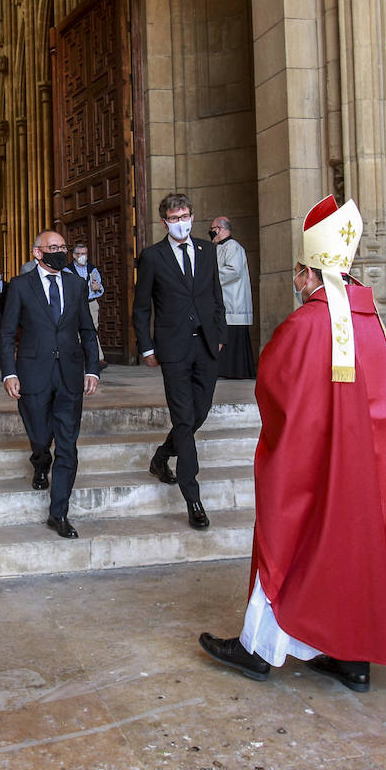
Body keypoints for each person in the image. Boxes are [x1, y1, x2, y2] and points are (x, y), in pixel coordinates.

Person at [198, 195, 386, 692]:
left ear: (308, 273)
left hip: (316, 460)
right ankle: (352, 657)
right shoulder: (369, 318)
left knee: (293, 539)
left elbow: (273, 383)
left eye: (297, 274)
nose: (296, 283)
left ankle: (257, 649)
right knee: (356, 548)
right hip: (368, 464)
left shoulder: (307, 321)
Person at [132, 192, 225, 529]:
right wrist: (146, 347)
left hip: (206, 347)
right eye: (174, 218)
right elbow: (142, 307)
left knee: (199, 413)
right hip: (172, 350)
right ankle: (193, 497)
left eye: (185, 216)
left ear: (192, 216)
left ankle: (161, 456)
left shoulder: (207, 250)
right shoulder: (152, 257)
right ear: (164, 222)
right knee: (184, 419)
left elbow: (216, 295)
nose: (181, 222)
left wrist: (221, 333)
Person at [0, 231, 101, 538]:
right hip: (33, 373)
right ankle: (40, 460)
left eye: (63, 248)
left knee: (67, 445)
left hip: (70, 374)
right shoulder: (19, 286)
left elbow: (87, 329)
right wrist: (9, 373)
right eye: (53, 248)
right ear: (37, 253)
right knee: (41, 436)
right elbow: (5, 334)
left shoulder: (76, 284)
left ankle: (59, 513)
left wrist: (92, 370)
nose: (60, 252)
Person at [209, 216, 256, 379]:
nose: (211, 232)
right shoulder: (218, 247)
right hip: (224, 301)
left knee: (232, 338)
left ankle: (235, 371)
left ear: (219, 229)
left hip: (233, 301)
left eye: (212, 229)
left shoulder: (233, 247)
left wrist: (211, 278)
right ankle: (225, 370)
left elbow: (233, 271)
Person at [64, 242, 106, 366]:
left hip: (91, 304)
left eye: (84, 254)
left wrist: (98, 287)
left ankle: (98, 359)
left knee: (92, 330)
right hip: (75, 305)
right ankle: (77, 358)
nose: (82, 256)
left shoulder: (92, 269)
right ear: (74, 255)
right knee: (76, 331)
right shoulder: (67, 270)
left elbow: (99, 287)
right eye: (79, 254)